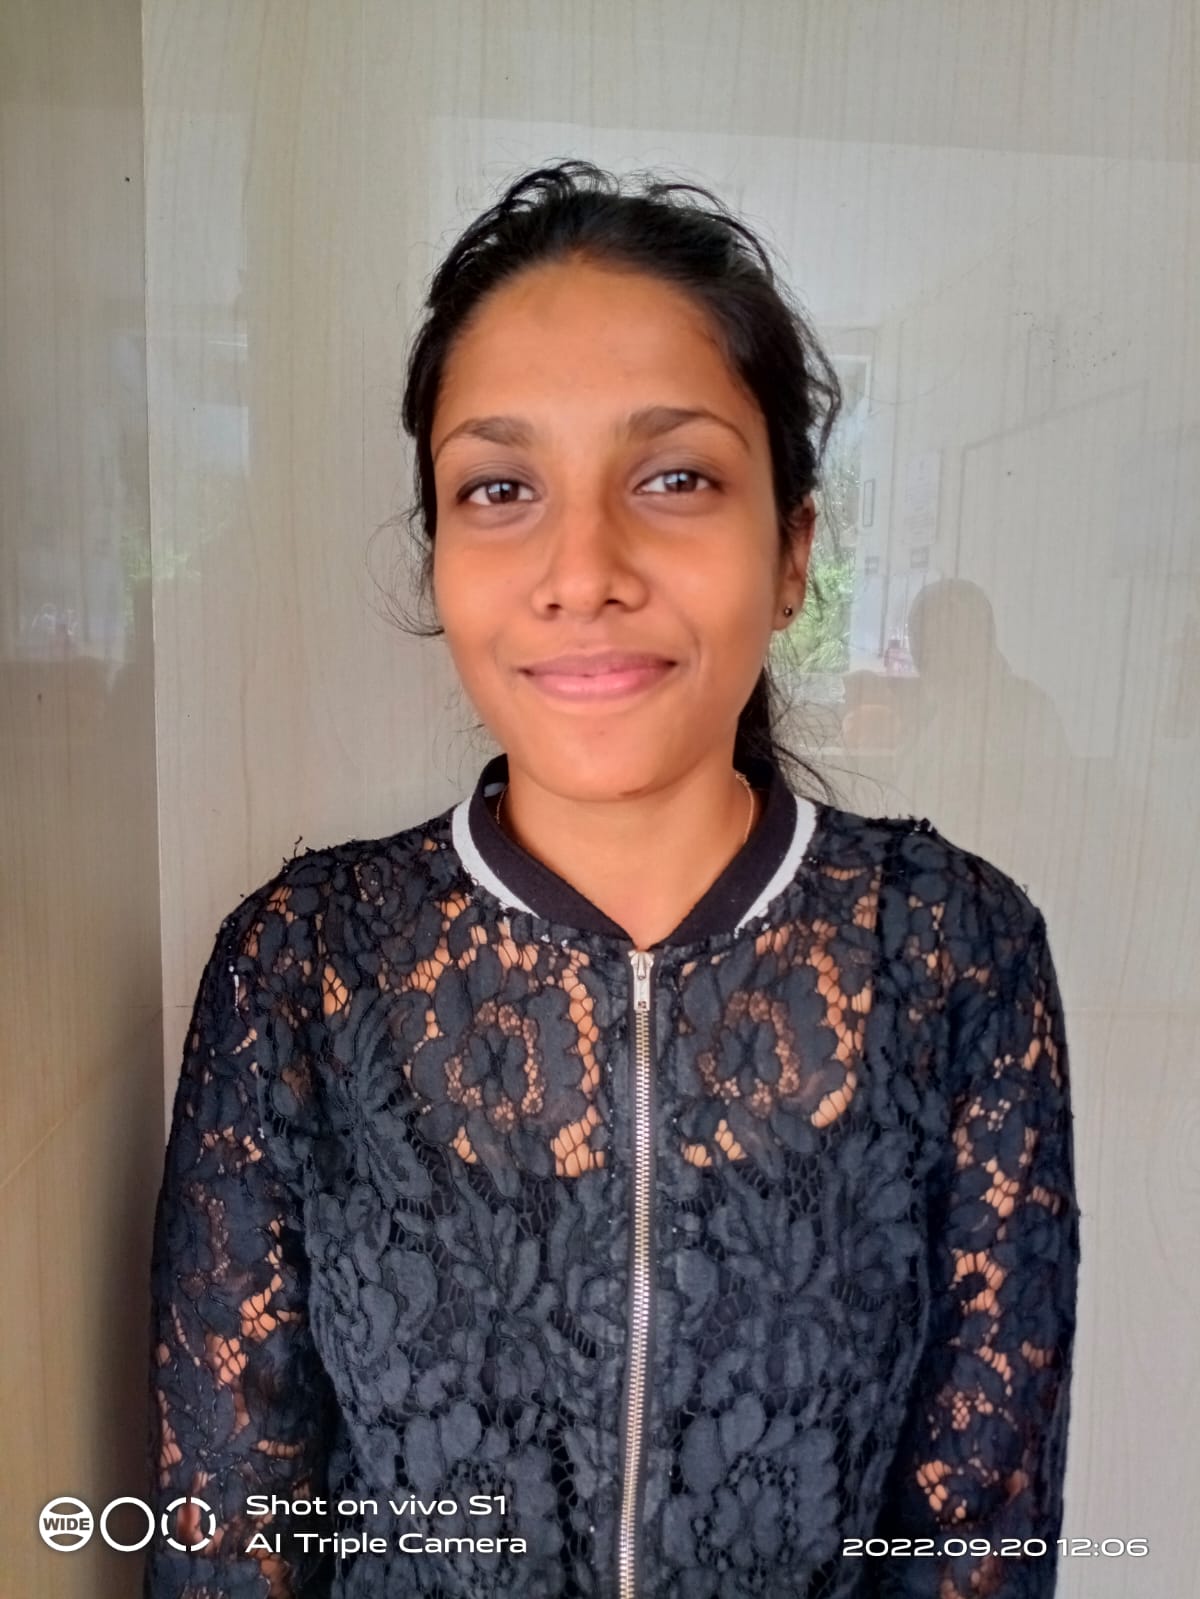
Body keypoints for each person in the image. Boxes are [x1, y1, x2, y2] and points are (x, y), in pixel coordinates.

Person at [143, 160, 1081, 1599]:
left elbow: (977, 1545)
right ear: (440, 556)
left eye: (676, 477)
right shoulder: (304, 965)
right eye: (501, 487)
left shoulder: (954, 953)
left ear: (792, 552)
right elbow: (229, 1539)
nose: (582, 568)